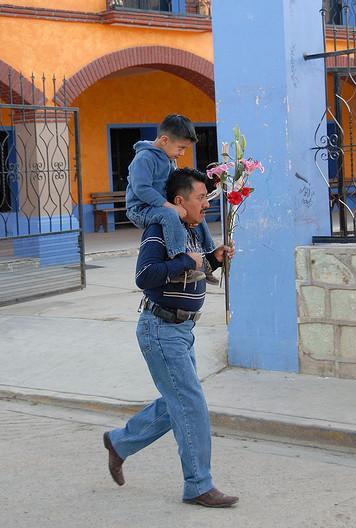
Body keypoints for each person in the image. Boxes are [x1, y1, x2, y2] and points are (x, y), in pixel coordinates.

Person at [103, 168, 238, 508]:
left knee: (175, 402)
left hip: (182, 331)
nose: (206, 204)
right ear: (180, 201)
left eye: (207, 197)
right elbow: (145, 275)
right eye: (200, 198)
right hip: (161, 329)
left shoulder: (192, 231)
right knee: (191, 405)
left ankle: (120, 443)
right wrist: (183, 261)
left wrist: (213, 260)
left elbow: (191, 268)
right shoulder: (161, 229)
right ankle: (198, 485)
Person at [125, 114, 219, 284]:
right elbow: (142, 189)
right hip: (141, 209)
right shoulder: (144, 158)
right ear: (164, 140)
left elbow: (175, 183)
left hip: (160, 207)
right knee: (169, 215)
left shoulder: (169, 159)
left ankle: (208, 258)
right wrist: (170, 206)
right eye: (180, 148)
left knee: (196, 214)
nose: (182, 153)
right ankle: (180, 264)